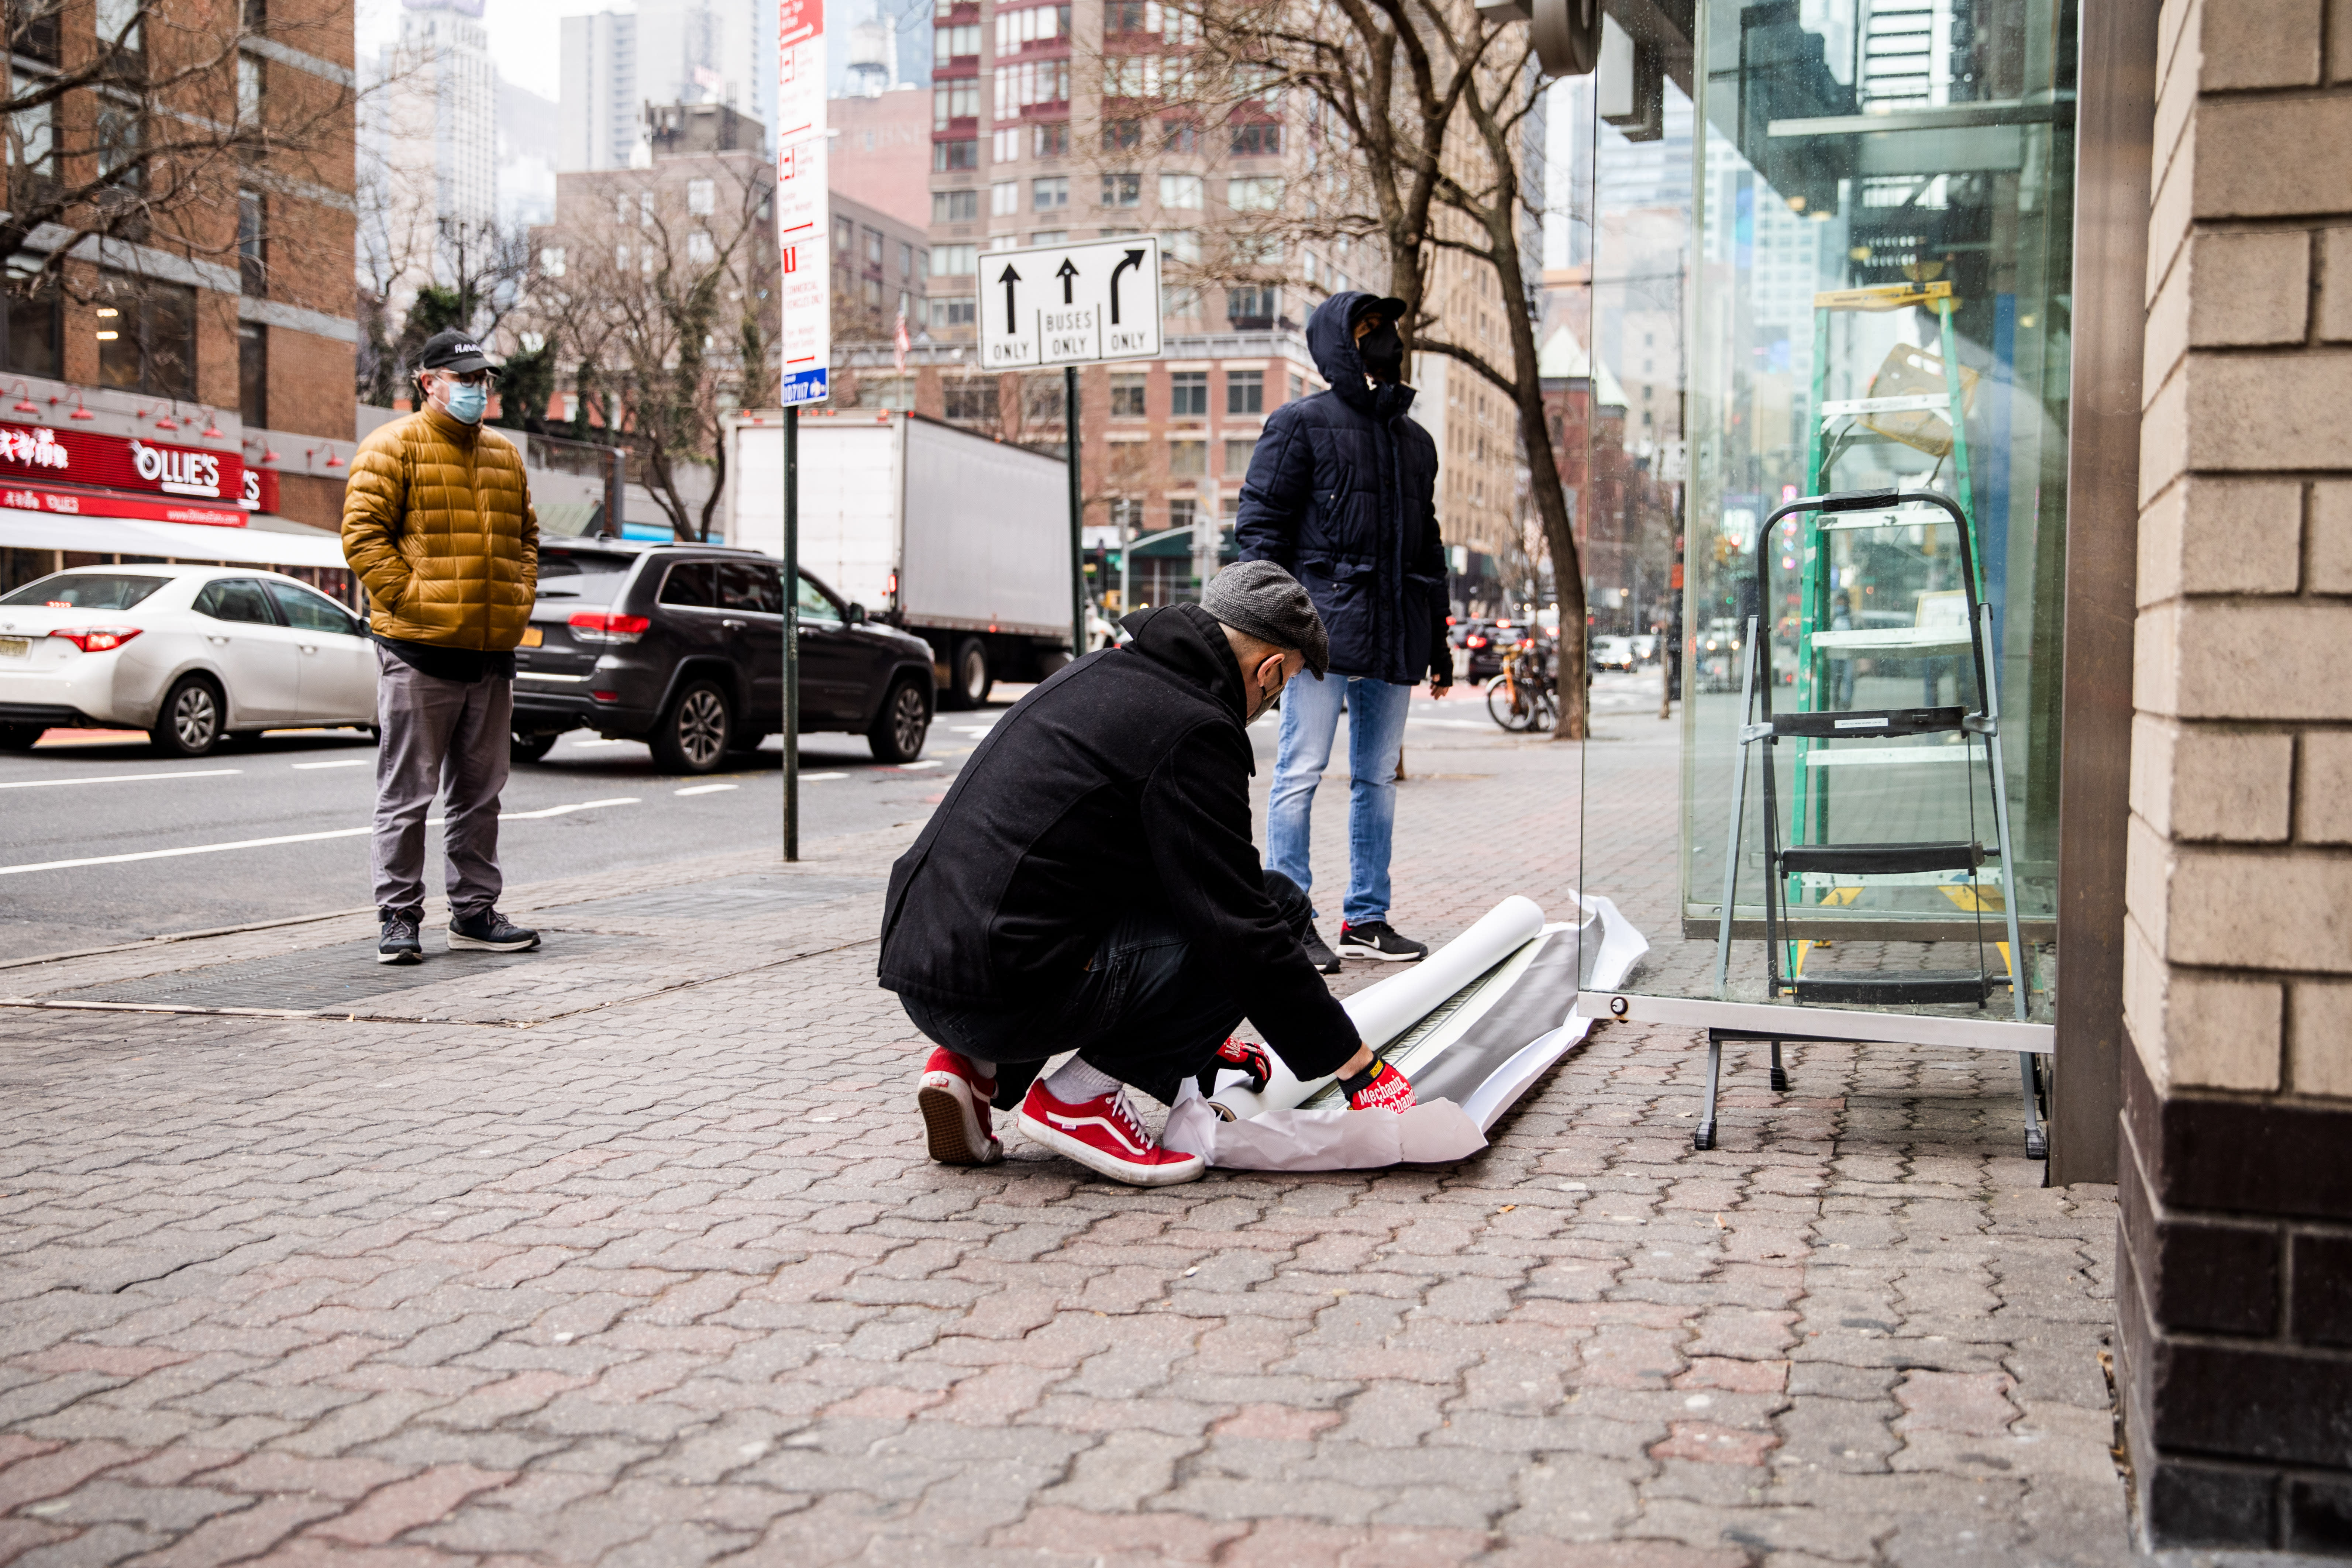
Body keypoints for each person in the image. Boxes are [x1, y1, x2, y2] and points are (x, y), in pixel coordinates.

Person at [878, 561, 1420, 1188]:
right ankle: (1083, 1099)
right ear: (1269, 670)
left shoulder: (1103, 673)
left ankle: (976, 1070)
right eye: (1283, 689)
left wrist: (1201, 1041)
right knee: (1276, 908)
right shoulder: (1193, 729)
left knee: (1110, 905)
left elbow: (1126, 873)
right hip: (1005, 991)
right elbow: (1241, 925)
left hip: (929, 971)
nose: (1270, 706)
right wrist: (1354, 1066)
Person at [1235, 289, 1450, 972]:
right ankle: (1289, 917)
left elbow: (1428, 548)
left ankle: (1368, 917)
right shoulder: (1300, 423)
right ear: (1338, 343)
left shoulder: (1415, 442)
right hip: (1316, 634)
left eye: (1387, 329)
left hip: (1392, 633)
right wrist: (1268, 629)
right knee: (1298, 771)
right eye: (1367, 329)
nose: (1383, 339)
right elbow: (1260, 528)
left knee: (1376, 779)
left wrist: (1437, 642)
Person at [341, 328, 542, 965]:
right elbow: (362, 538)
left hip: (490, 652)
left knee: (481, 796)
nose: (477, 390)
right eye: (464, 379)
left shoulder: (505, 456)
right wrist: (415, 601)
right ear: (427, 383)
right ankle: (399, 916)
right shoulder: (391, 447)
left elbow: (527, 539)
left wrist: (517, 598)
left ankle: (475, 912)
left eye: (483, 379)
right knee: (408, 794)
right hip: (420, 649)